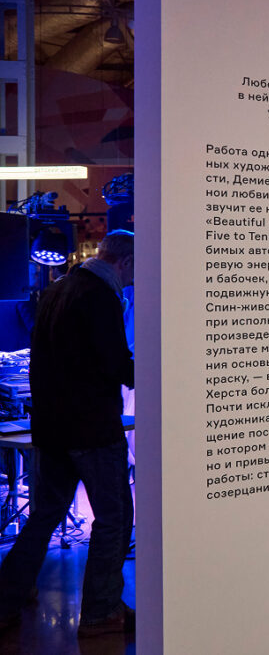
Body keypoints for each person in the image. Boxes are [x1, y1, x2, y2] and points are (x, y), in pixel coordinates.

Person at [0, 230, 135, 637]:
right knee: (114, 518)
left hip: (52, 427)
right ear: (125, 262)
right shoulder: (101, 296)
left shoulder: (59, 290)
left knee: (44, 516)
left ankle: (6, 599)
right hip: (92, 429)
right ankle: (101, 610)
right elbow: (116, 364)